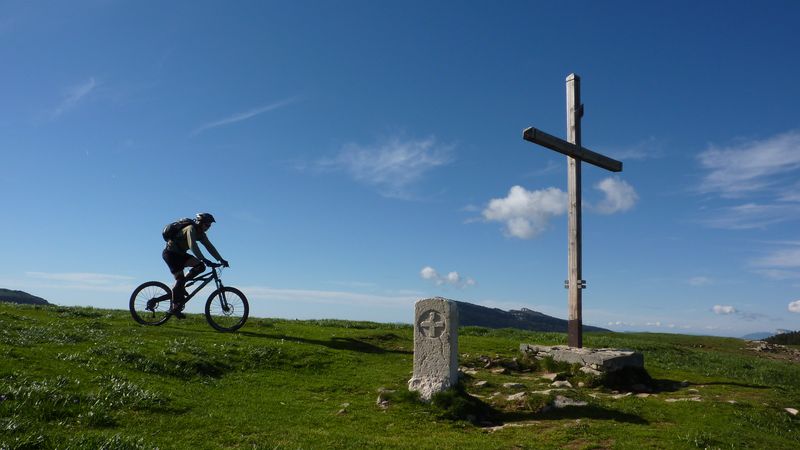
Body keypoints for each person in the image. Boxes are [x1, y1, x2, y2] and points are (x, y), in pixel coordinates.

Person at [162, 212, 229, 318]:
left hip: (181, 254)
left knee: (200, 266)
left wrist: (221, 259)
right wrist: (203, 258)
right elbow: (192, 245)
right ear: (200, 222)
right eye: (207, 225)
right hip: (171, 254)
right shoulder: (190, 229)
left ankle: (182, 285)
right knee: (180, 278)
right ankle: (174, 307)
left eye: (209, 225)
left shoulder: (201, 233)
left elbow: (209, 246)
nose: (208, 227)